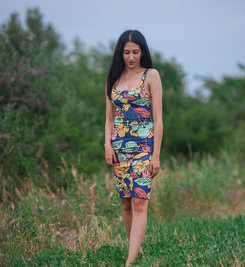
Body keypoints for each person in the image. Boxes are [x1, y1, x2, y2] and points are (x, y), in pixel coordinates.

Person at [104, 29, 163, 266]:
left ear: (142, 52)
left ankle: (129, 262)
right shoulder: (113, 79)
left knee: (140, 200)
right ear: (121, 53)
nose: (130, 56)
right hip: (119, 147)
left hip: (143, 146)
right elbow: (109, 119)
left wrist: (156, 155)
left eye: (135, 52)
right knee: (126, 202)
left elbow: (158, 119)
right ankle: (136, 251)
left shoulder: (151, 75)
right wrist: (107, 145)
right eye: (126, 52)